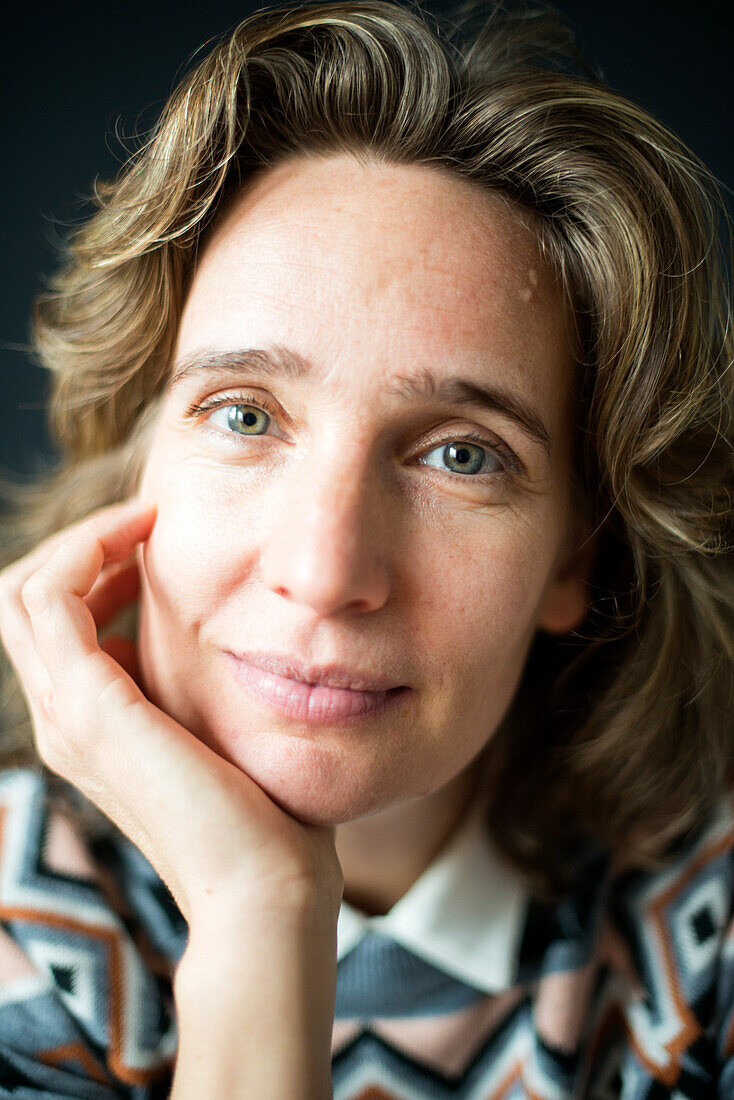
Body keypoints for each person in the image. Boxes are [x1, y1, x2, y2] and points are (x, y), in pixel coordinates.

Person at [0, 0, 732, 1095]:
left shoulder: (704, 950)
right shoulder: (18, 927)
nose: (326, 568)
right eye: (244, 415)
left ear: (573, 556)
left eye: (460, 456)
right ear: (135, 464)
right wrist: (262, 914)